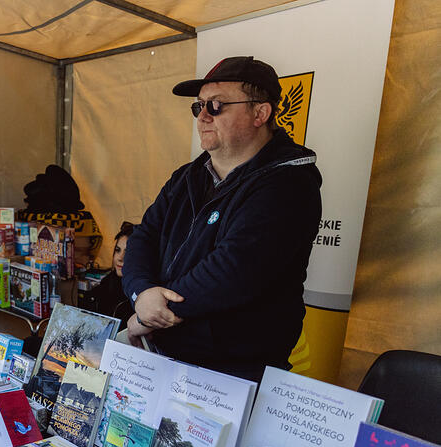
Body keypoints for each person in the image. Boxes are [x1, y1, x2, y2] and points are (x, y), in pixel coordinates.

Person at [121, 56, 322, 381]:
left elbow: (232, 270)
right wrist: (141, 294)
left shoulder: (289, 183)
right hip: (166, 357)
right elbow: (144, 236)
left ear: (260, 113)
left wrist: (150, 316)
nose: (202, 117)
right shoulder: (187, 176)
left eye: (215, 106)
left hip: (234, 373)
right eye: (198, 106)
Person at [85, 221, 135, 328]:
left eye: (128, 252)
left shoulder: (140, 294)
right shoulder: (106, 283)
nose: (120, 258)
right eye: (117, 250)